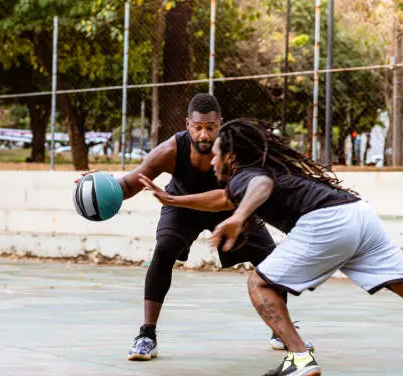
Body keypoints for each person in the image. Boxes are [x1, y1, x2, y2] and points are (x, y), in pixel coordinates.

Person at [140, 118, 403, 376]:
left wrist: (240, 217)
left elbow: (253, 190)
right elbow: (219, 198)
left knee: (259, 282)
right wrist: (172, 199)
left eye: (216, 153)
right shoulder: (260, 172)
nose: (210, 159)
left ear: (231, 155)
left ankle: (298, 356)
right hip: (359, 215)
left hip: (325, 223)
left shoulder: (250, 175)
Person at [115, 95, 308, 361]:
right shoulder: (171, 149)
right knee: (165, 248)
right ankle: (147, 334)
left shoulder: (236, 151)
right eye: (197, 127)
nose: (204, 134)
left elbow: (228, 198)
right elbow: (131, 182)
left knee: (270, 258)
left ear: (221, 124)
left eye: (210, 127)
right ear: (187, 124)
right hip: (182, 209)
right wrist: (103, 184)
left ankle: (281, 332)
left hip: (226, 209)